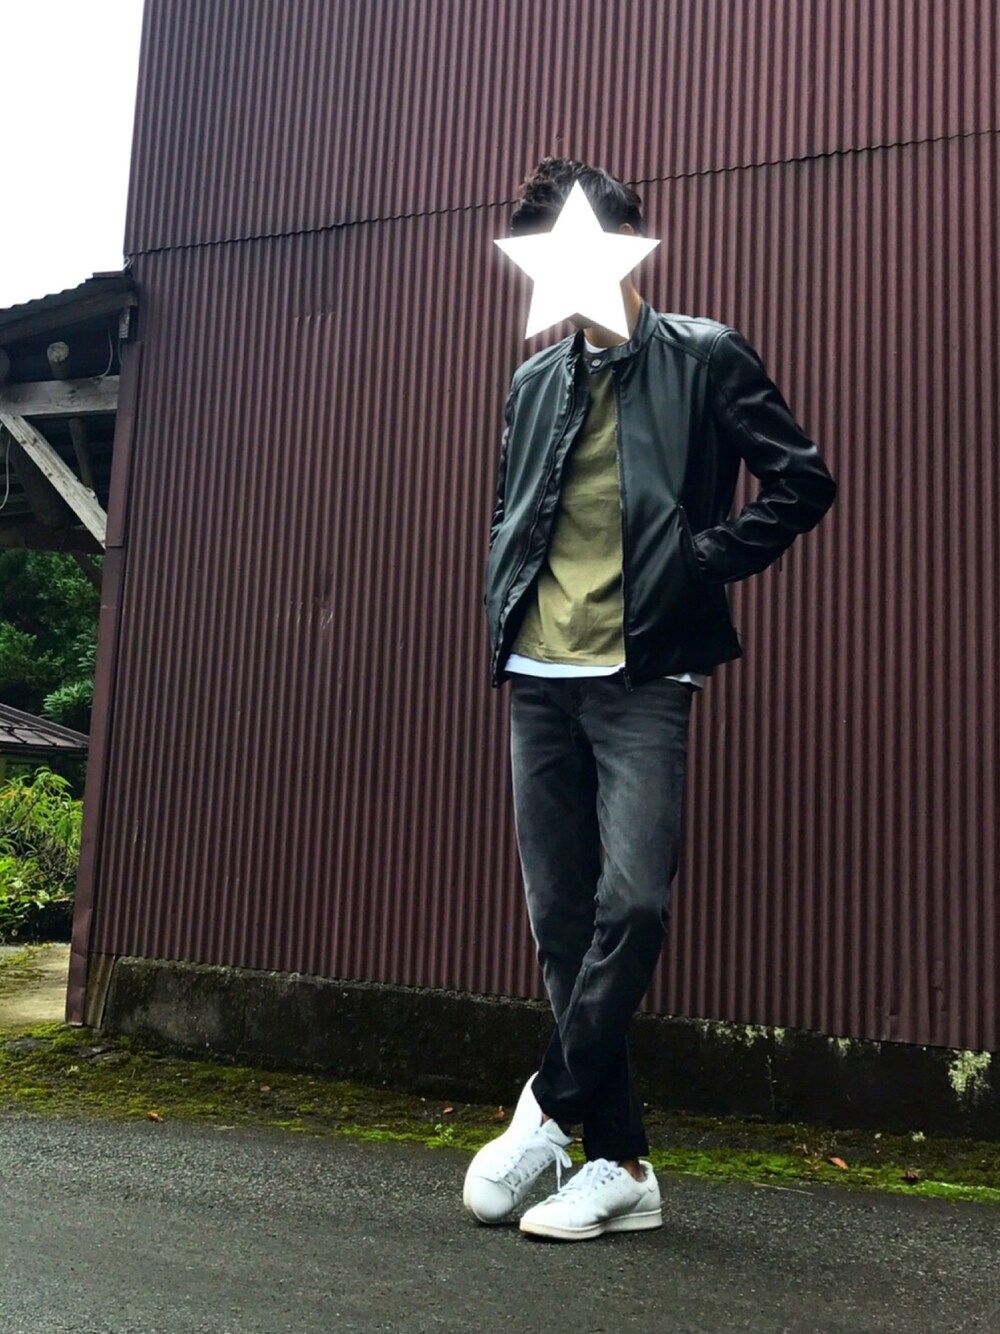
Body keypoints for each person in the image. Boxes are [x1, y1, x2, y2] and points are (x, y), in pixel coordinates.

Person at [465, 158, 836, 1242]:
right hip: (540, 676)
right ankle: (621, 1164)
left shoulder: (703, 355)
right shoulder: (534, 381)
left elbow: (803, 479)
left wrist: (698, 562)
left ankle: (549, 1108)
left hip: (642, 675)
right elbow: (515, 514)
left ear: (631, 241)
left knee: (631, 905)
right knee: (560, 922)